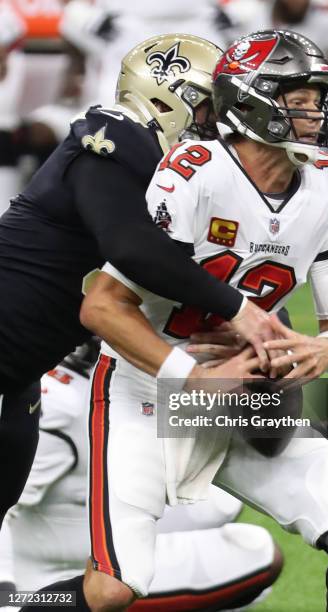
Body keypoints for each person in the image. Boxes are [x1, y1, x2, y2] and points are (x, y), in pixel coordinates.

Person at [79, 30, 328, 612]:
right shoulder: (196, 170)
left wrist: (326, 351)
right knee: (113, 591)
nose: (316, 113)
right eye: (299, 100)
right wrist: (189, 377)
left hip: (241, 392)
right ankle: (22, 603)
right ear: (251, 101)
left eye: (318, 99)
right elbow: (101, 307)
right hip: (145, 388)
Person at [0, 33, 290, 529]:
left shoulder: (179, 184)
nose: (217, 127)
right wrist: (240, 311)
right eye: (207, 110)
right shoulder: (112, 133)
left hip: (21, 375)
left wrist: (272, 332)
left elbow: (200, 270)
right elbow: (132, 248)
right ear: (165, 97)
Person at [0, 341, 282, 611]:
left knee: (221, 503)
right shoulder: (59, 403)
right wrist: (6, 594)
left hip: (86, 519)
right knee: (258, 552)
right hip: (57, 574)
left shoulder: (109, 374)